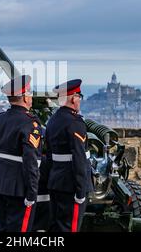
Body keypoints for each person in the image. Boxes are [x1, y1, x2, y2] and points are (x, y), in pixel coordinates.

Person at [0, 75, 42, 232]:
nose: (31, 97)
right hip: (20, 187)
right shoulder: (30, 123)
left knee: (1, 227)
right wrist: (32, 192)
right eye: (29, 93)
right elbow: (31, 162)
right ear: (23, 97)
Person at [46, 79, 93, 232]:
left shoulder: (53, 120)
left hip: (56, 182)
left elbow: (49, 154)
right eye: (79, 97)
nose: (79, 101)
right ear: (73, 98)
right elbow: (79, 159)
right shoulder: (74, 122)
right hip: (71, 185)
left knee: (56, 227)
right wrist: (80, 191)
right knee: (69, 228)